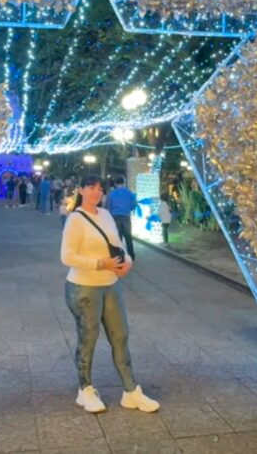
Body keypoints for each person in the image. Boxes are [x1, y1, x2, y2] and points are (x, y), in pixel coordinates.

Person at [60, 175, 159, 414]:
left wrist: (127, 261)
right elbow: (67, 256)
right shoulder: (75, 219)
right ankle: (85, 390)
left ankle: (131, 391)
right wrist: (99, 264)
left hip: (111, 285)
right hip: (83, 288)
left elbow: (118, 245)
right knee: (88, 338)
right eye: (91, 187)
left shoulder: (105, 215)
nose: (96, 192)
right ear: (81, 190)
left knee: (120, 336)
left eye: (99, 188)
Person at [107, 177, 137, 260]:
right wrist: (127, 209)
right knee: (128, 237)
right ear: (123, 183)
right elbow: (134, 205)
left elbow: (109, 206)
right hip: (126, 216)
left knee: (117, 237)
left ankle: (118, 256)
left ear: (116, 184)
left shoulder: (112, 193)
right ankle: (131, 255)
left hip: (115, 217)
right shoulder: (129, 193)